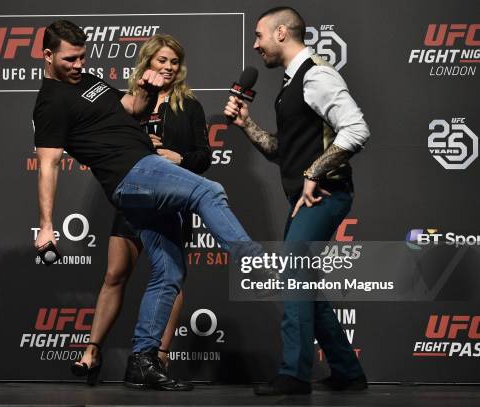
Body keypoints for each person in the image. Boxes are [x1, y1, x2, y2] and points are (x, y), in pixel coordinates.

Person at [33, 20, 260, 391]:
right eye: (70, 59)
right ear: (47, 55)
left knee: (169, 271)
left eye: (82, 57)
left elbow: (129, 110)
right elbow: (48, 164)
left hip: (138, 186)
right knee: (209, 192)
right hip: (133, 173)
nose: (78, 65)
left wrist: (145, 91)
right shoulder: (50, 102)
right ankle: (253, 259)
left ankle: (142, 360)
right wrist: (46, 224)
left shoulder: (89, 82)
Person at [224, 6, 370, 396]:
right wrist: (246, 124)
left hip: (326, 195)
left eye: (259, 36)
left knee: (293, 274)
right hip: (305, 199)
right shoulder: (292, 84)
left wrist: (313, 173)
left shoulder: (317, 75)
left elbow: (357, 129)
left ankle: (293, 374)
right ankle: (348, 371)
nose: (255, 45)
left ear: (282, 33)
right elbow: (281, 151)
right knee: (304, 283)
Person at [71, 34, 211, 385]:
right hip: (133, 197)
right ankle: (92, 351)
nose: (168, 67)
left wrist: (177, 157)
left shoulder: (189, 106)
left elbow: (204, 157)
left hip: (172, 201)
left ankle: (157, 359)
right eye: (161, 60)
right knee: (115, 274)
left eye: (174, 61)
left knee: (170, 278)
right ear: (147, 62)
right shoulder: (125, 101)